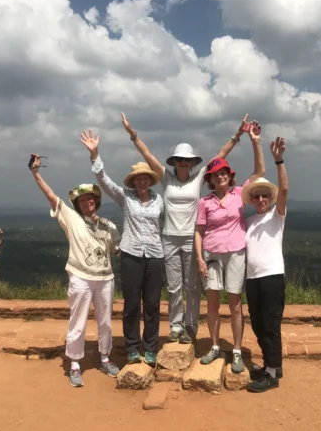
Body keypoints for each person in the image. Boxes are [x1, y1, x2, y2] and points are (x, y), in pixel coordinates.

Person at [120, 113, 251, 345]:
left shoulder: (200, 177)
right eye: (179, 158)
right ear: (174, 161)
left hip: (191, 238)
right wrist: (133, 134)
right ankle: (175, 325)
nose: (183, 162)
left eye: (186, 159)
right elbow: (148, 155)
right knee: (173, 286)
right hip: (169, 238)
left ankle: (190, 327)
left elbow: (220, 156)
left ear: (192, 163)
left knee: (192, 287)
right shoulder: (166, 178)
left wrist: (237, 135)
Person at [29, 154, 121, 388]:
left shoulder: (109, 226)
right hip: (80, 276)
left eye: (90, 198)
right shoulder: (71, 218)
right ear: (77, 204)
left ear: (96, 201)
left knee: (105, 322)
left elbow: (118, 249)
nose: (86, 202)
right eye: (82, 200)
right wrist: (36, 173)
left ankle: (104, 357)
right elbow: (52, 197)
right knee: (78, 321)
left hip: (105, 278)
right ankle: (75, 364)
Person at [83, 129, 165, 367]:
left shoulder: (159, 200)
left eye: (146, 178)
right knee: (131, 304)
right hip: (131, 253)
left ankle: (150, 347)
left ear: (150, 180)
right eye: (139, 178)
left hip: (155, 255)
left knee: (152, 304)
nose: (142, 181)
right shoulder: (125, 197)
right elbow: (103, 181)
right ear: (133, 181)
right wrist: (94, 155)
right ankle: (131, 346)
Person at [195, 124, 265, 374]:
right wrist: (199, 260)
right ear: (211, 180)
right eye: (216, 175)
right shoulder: (205, 202)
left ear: (229, 175)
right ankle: (215, 346)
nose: (220, 177)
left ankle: (235, 350)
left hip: (235, 252)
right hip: (211, 254)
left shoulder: (239, 194)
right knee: (212, 303)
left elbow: (259, 171)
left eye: (223, 173)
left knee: (235, 304)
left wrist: (254, 140)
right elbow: (199, 232)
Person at [243, 136, 288, 393]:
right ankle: (273, 364)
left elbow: (284, 190)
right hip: (253, 279)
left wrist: (278, 160)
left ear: (270, 198)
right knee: (259, 324)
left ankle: (271, 374)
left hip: (271, 276)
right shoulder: (248, 222)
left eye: (264, 196)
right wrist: (254, 142)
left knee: (270, 324)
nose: (260, 199)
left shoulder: (276, 215)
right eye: (256, 196)